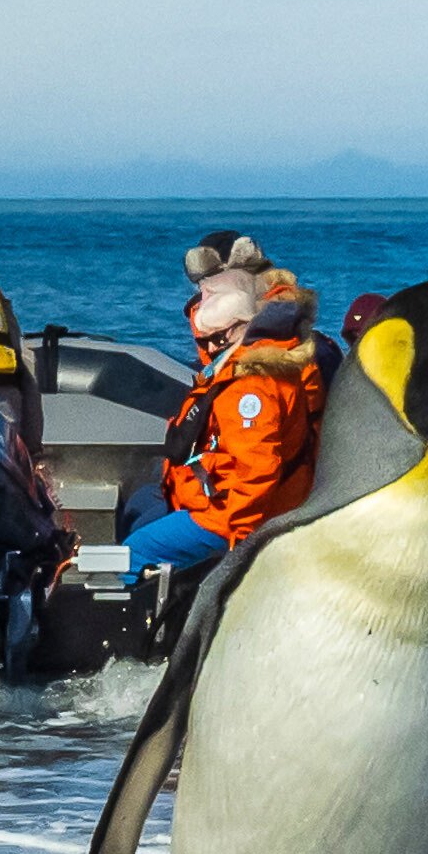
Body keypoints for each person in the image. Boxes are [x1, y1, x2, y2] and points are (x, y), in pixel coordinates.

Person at [124, 256, 327, 641]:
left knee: (135, 550)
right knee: (140, 507)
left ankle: (132, 644)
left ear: (234, 331)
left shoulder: (250, 387)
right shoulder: (266, 364)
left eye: (212, 339)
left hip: (237, 519)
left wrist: (241, 541)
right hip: (224, 502)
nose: (207, 347)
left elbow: (257, 470)